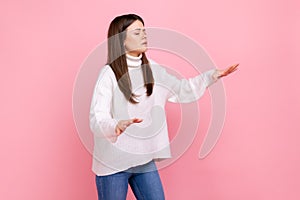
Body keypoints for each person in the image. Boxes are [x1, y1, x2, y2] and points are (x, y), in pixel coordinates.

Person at [89, 13, 238, 200]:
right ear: (121, 41)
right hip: (113, 164)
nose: (144, 35)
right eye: (137, 32)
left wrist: (211, 76)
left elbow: (182, 90)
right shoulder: (108, 74)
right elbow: (97, 118)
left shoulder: (152, 68)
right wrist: (115, 126)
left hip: (143, 159)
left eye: (144, 31)